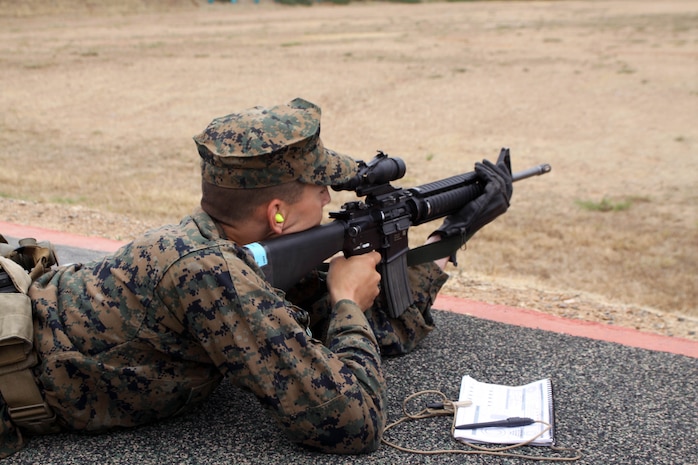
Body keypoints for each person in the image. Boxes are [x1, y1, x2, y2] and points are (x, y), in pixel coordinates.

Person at [0, 98, 512, 457]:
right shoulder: (211, 274)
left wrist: (453, 236)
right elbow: (351, 423)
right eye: (320, 189)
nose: (331, 199)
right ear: (278, 214)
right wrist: (347, 302)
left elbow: (384, 333)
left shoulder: (223, 246)